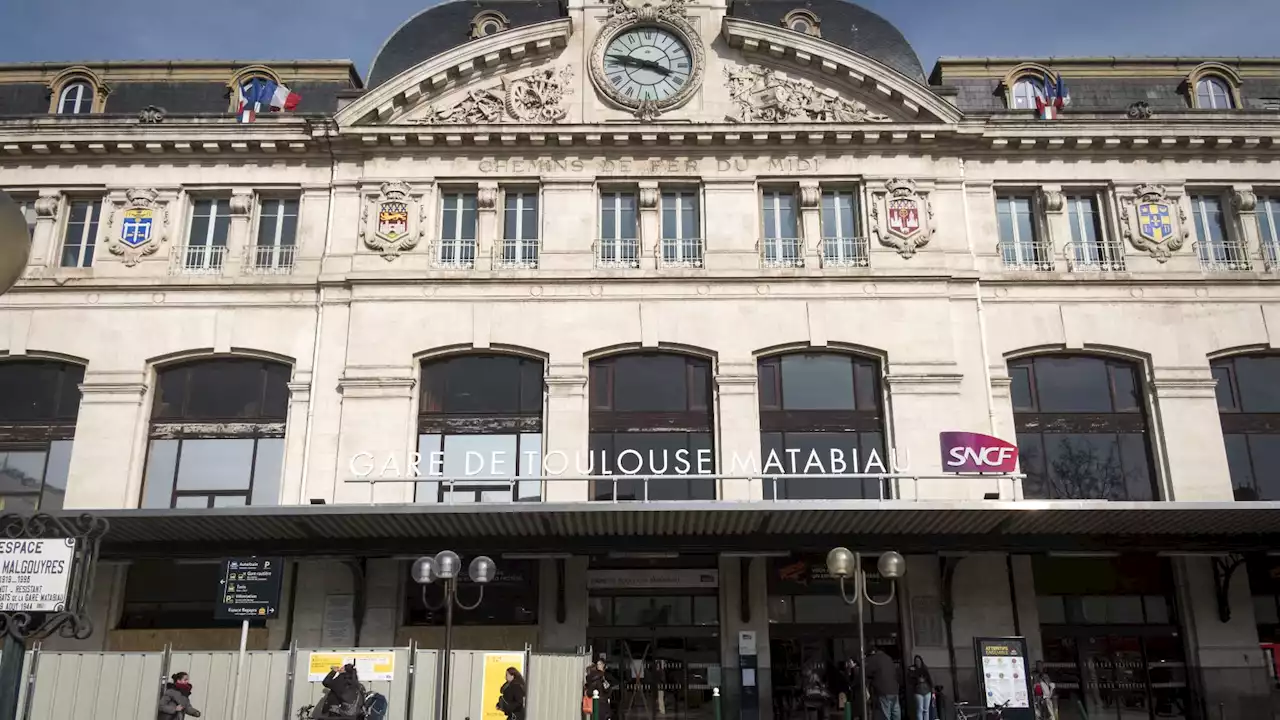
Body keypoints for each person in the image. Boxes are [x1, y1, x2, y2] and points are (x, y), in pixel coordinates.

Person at [863, 648, 901, 720]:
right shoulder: (888, 658)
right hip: (894, 690)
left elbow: (865, 672)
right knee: (895, 712)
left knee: (886, 714)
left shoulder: (874, 659)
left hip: (883, 690)